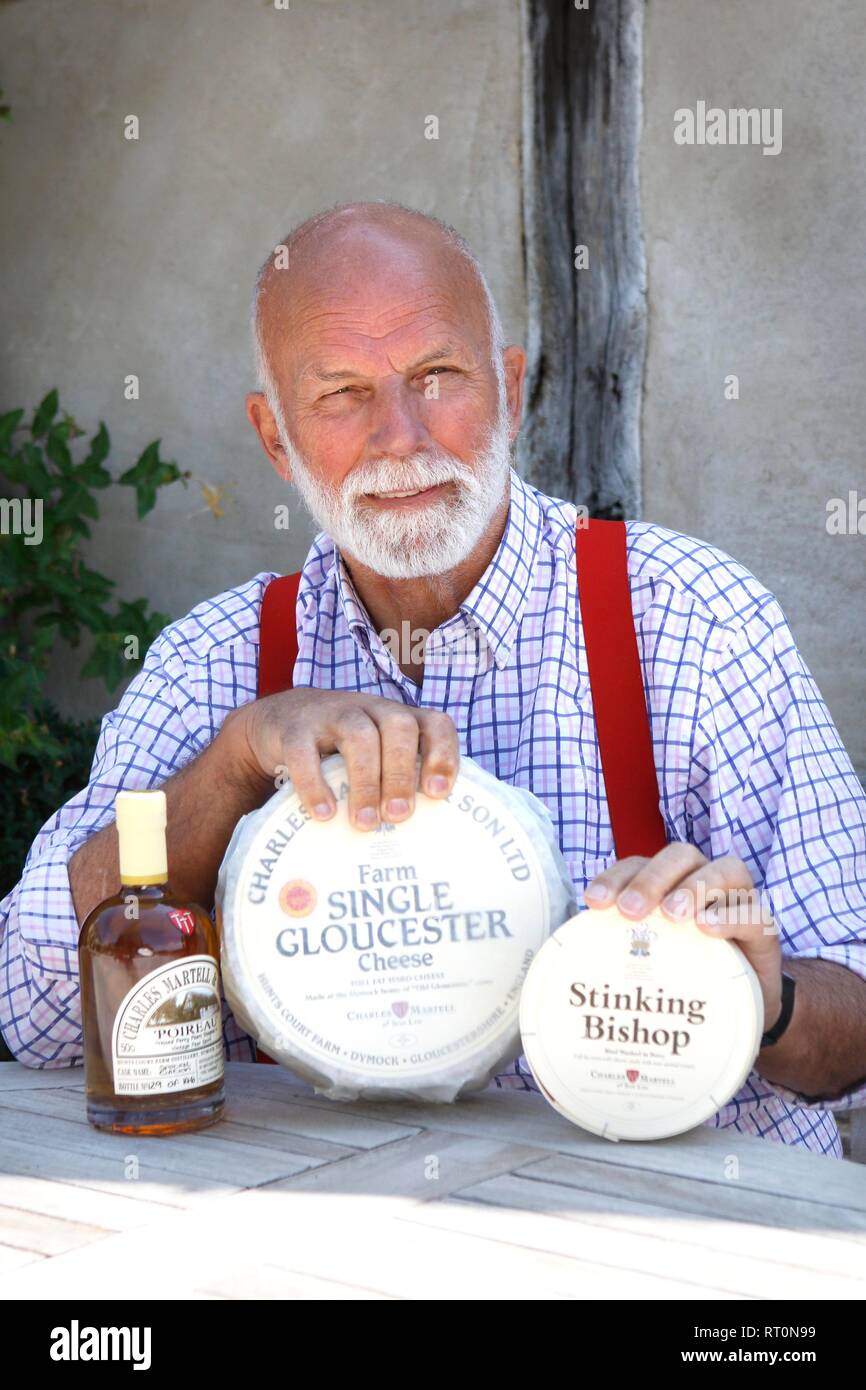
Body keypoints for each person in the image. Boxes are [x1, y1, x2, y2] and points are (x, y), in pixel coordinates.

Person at [2, 201, 865, 1157]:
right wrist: (238, 762)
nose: (401, 435)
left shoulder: (694, 622)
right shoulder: (218, 662)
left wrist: (767, 994)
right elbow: (35, 1013)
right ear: (276, 437)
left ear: (507, 384)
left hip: (660, 1244)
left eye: (436, 375)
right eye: (341, 393)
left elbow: (857, 1028)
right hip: (309, 1246)